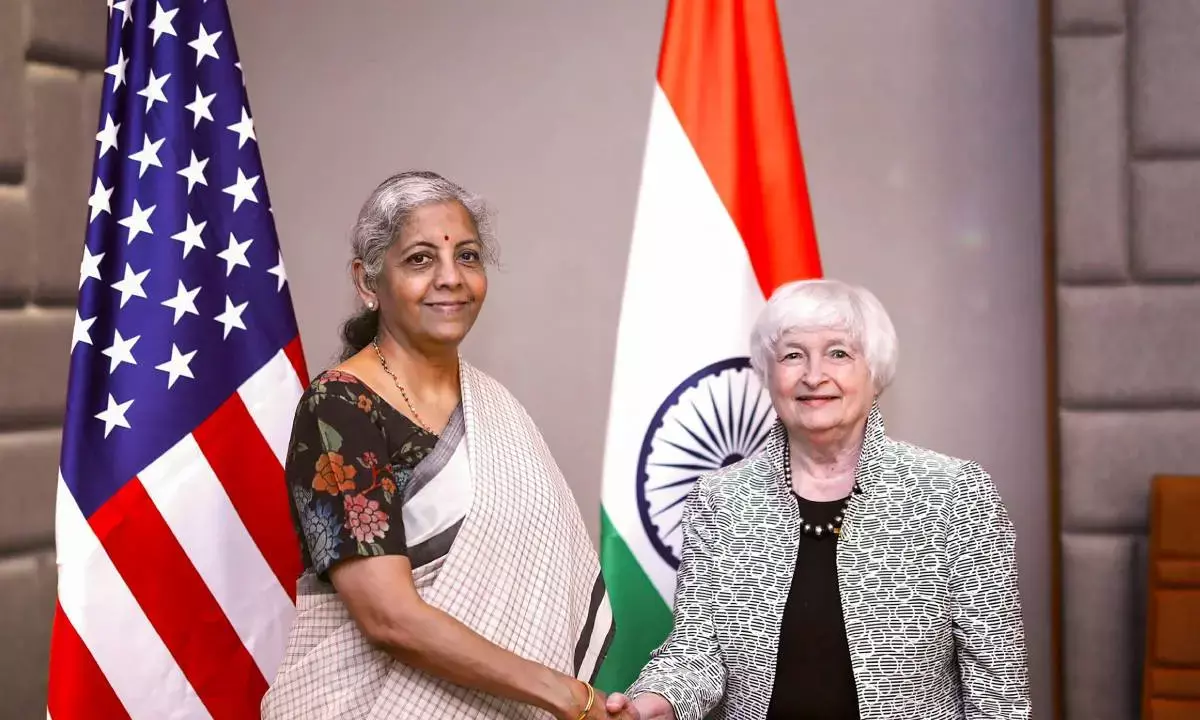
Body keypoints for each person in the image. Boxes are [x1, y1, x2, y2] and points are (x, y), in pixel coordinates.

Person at [261, 171, 621, 719]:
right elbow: (389, 619)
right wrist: (568, 697)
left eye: (468, 256)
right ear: (367, 281)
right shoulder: (339, 409)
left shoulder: (493, 407)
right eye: (420, 259)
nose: (451, 278)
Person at [606, 279, 1032, 720]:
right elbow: (696, 652)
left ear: (875, 374)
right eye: (792, 355)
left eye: (839, 353)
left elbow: (998, 686)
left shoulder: (953, 493)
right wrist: (653, 703)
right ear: (769, 375)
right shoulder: (720, 499)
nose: (813, 375)